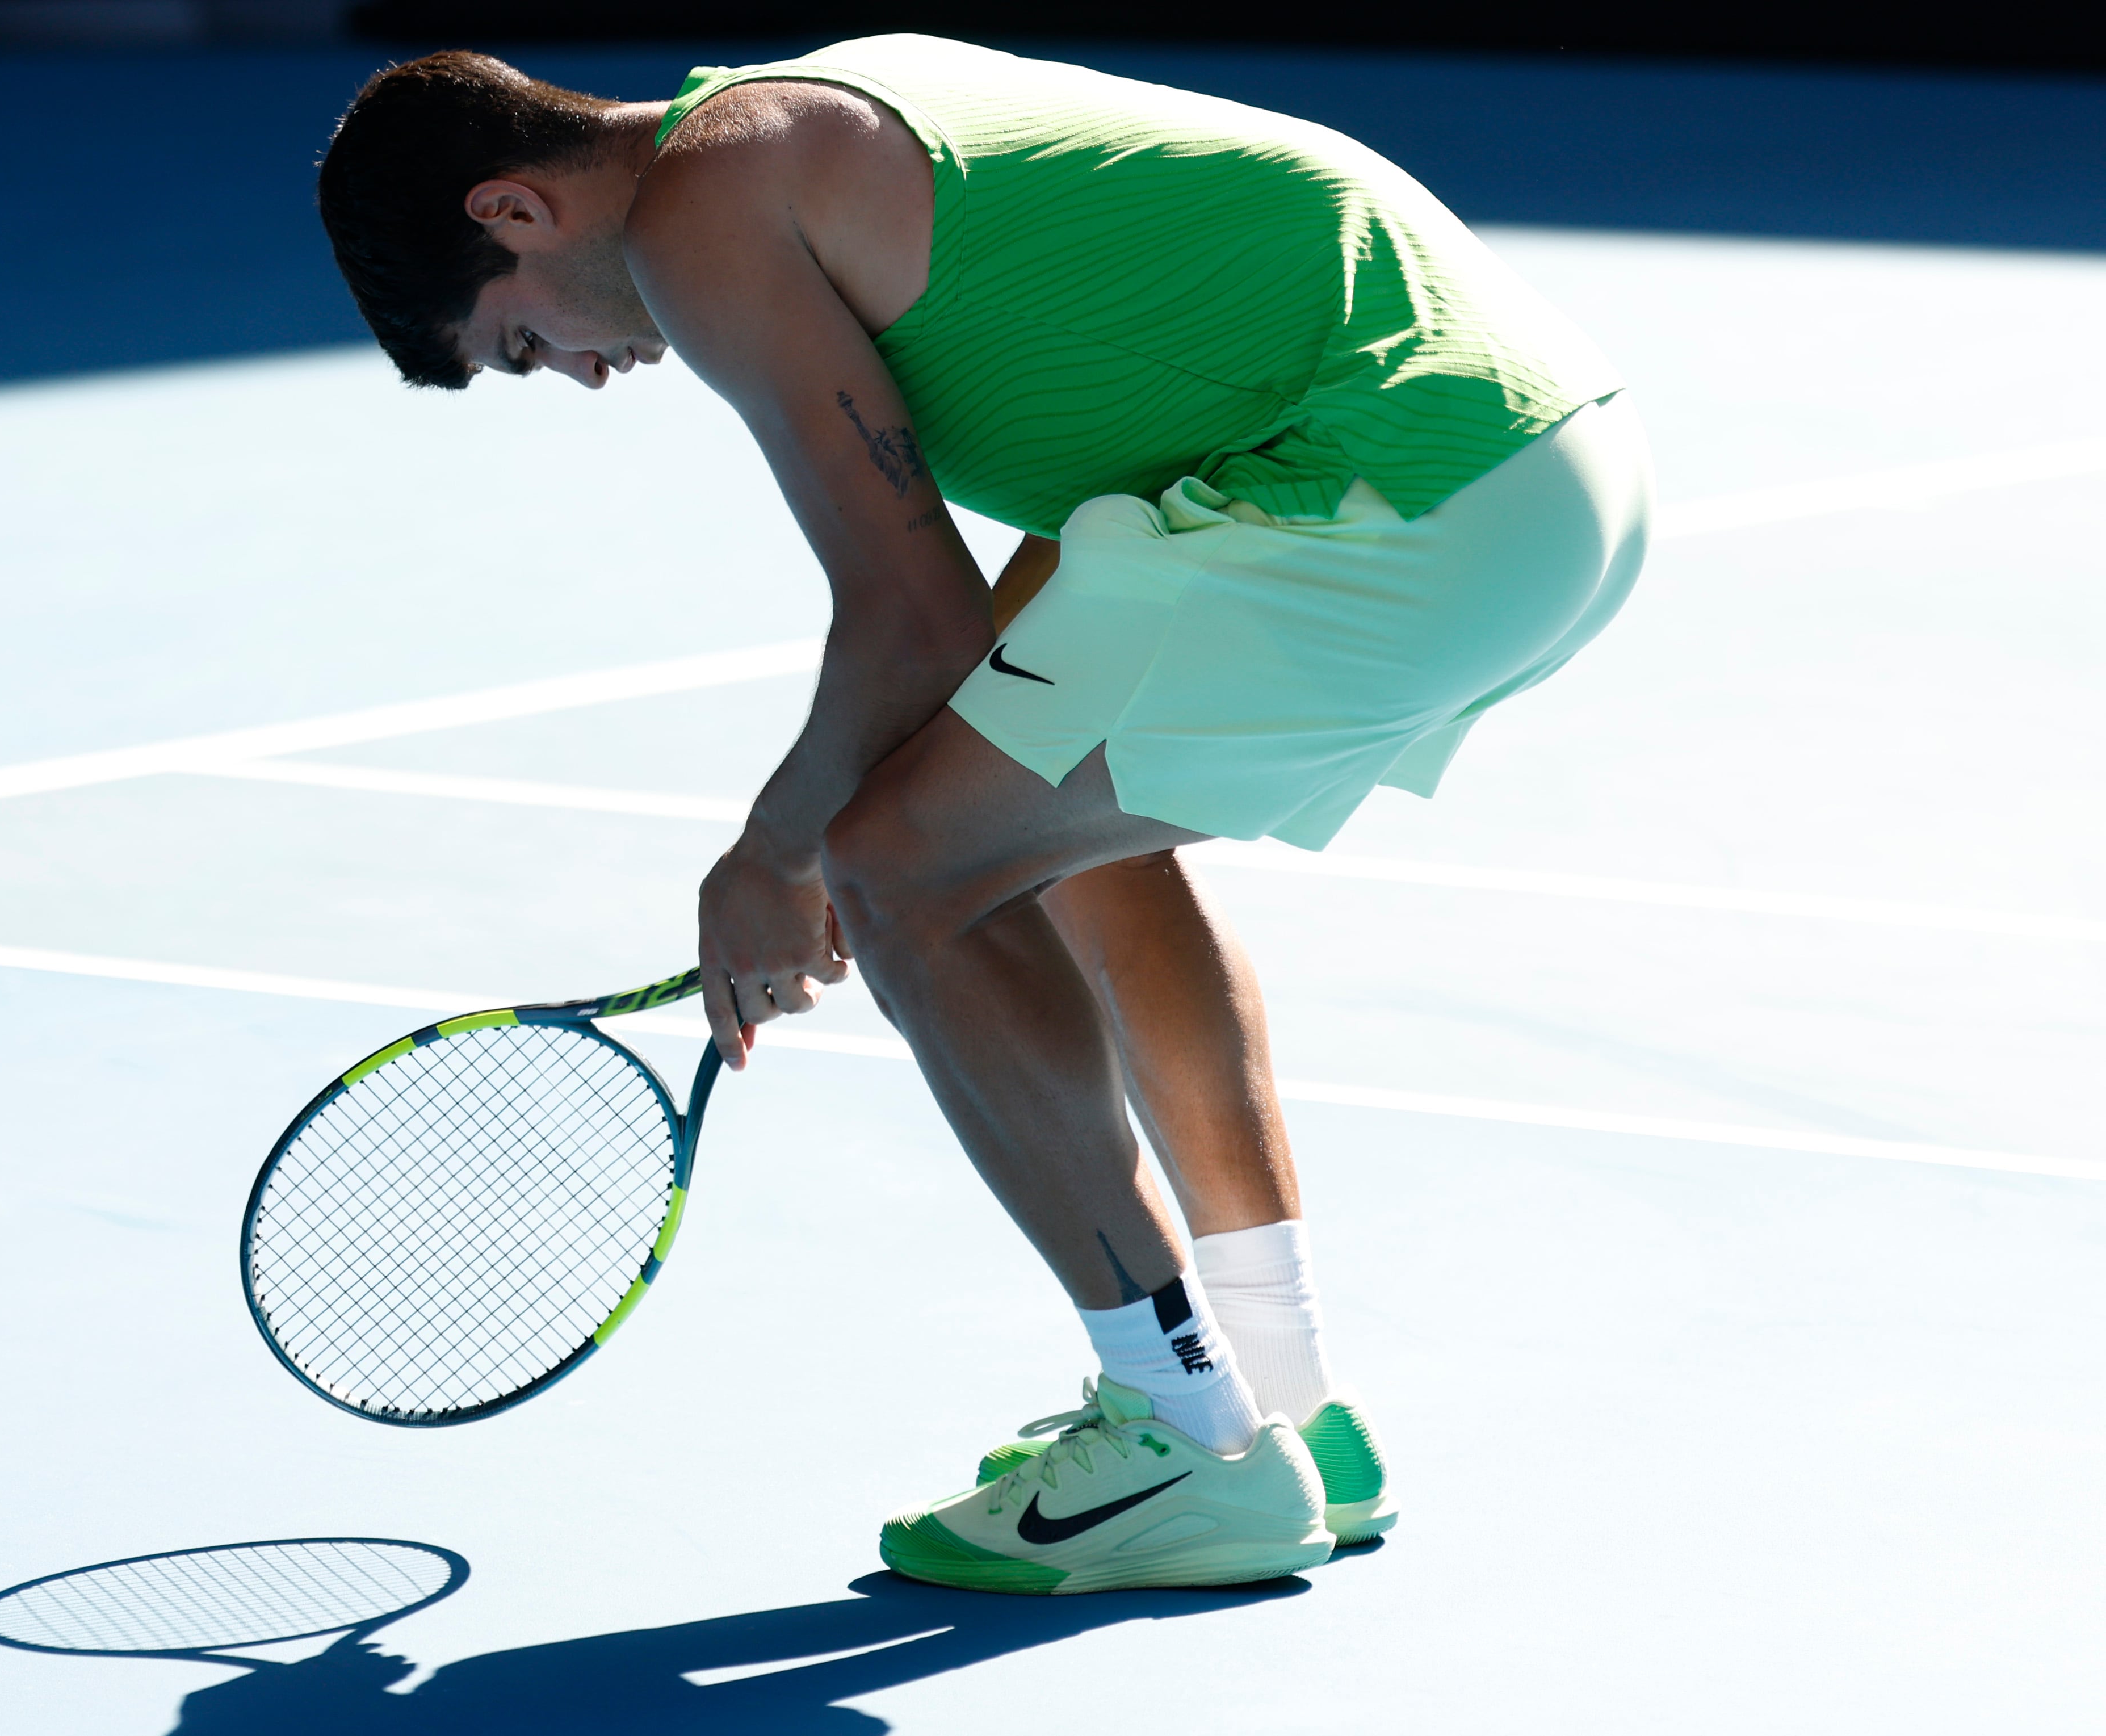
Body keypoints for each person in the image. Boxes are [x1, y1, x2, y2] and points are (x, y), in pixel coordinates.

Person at [315, 34, 1649, 1594]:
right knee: (1047, 840)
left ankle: (1176, 1433)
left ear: (515, 212)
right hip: (1538, 466)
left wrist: (773, 856)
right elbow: (973, 637)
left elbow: (908, 620)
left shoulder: (703, 213)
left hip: (1394, 494)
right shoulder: (800, 105)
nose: (584, 373)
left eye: (520, 344)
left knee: (896, 864)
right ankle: (1281, 1402)